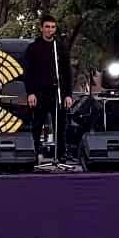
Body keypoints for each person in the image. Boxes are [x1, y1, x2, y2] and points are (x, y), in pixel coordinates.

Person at [20, 14, 74, 158]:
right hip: (39, 93)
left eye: (53, 27)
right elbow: (28, 73)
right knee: (37, 125)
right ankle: (34, 154)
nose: (50, 30)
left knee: (60, 125)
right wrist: (30, 92)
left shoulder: (60, 48)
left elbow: (67, 73)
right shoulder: (33, 48)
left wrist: (68, 94)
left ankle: (61, 155)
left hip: (57, 93)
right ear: (41, 28)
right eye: (47, 27)